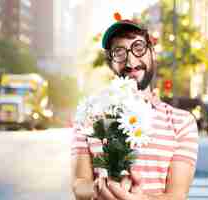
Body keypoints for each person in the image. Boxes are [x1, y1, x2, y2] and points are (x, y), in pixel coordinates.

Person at [71, 19, 199, 200]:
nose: (131, 61)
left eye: (138, 48)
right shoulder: (89, 116)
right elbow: (79, 185)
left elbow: (177, 195)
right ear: (110, 63)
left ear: (152, 53)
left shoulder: (182, 122)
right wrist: (99, 188)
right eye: (119, 53)